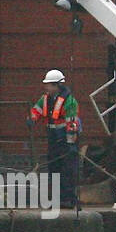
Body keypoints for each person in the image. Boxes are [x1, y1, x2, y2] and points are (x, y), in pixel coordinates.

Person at [28, 69, 81, 207]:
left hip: (65, 140)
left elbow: (71, 123)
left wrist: (70, 144)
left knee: (67, 171)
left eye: (49, 84)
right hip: (53, 139)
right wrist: (32, 119)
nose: (46, 87)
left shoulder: (69, 101)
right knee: (54, 169)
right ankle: (58, 199)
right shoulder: (46, 99)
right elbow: (37, 110)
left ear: (57, 85)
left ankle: (68, 199)